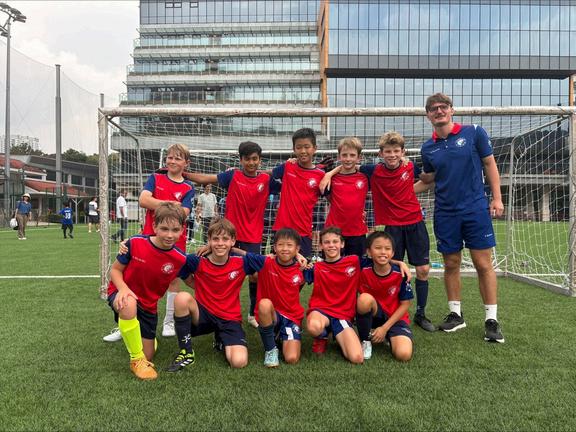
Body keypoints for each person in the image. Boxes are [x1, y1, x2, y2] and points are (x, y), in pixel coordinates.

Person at [321, 133, 435, 332]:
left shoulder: (410, 166)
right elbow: (349, 166)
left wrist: (410, 190)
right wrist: (328, 174)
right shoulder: (373, 170)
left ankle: (420, 313)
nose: (392, 155)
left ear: (403, 152)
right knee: (389, 268)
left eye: (396, 151)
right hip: (392, 225)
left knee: (423, 269)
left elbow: (427, 179)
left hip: (415, 222)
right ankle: (373, 310)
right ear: (381, 153)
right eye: (388, 151)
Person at [420, 92, 505, 343]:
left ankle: (491, 320)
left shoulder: (474, 132)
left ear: (452, 110)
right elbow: (429, 179)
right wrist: (400, 190)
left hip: (475, 209)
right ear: (428, 115)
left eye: (443, 106)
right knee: (451, 263)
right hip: (445, 212)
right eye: (433, 108)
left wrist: (497, 198)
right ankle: (456, 315)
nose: (439, 111)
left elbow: (489, 164)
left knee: (483, 264)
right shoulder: (427, 148)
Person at [183, 141, 276, 329]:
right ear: (240, 160)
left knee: (255, 275)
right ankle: (212, 310)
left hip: (253, 236)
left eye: (255, 159)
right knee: (216, 270)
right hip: (226, 236)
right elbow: (205, 178)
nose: (251, 163)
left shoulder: (266, 180)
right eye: (247, 159)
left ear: (260, 160)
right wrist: (182, 174)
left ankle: (252, 313)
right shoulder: (232, 176)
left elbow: (288, 178)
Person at [107, 202, 188, 380]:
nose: (169, 235)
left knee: (148, 354)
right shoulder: (134, 243)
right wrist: (123, 289)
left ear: (182, 230)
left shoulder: (180, 259)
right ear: (154, 226)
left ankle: (136, 337)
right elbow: (115, 270)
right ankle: (136, 361)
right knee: (128, 302)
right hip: (122, 293)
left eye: (175, 230)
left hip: (148, 305)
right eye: (164, 229)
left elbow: (194, 281)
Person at [166, 218, 250, 371]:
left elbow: (269, 261)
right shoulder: (197, 260)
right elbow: (176, 264)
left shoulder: (242, 262)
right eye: (215, 239)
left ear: (233, 241)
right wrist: (129, 244)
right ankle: (186, 352)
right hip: (204, 314)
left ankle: (221, 339)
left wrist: (236, 250)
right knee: (182, 298)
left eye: (225, 239)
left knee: (238, 362)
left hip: (229, 318)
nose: (220, 243)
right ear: (209, 240)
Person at [139, 143, 195, 338]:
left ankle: (169, 321)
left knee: (173, 279)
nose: (172, 161)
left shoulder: (188, 187)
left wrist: (158, 205)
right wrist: (170, 204)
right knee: (143, 279)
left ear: (186, 163)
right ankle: (133, 317)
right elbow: (143, 200)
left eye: (177, 158)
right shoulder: (155, 178)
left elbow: (183, 213)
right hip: (150, 237)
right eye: (170, 157)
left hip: (175, 241)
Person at [241, 228, 306, 368]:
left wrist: (299, 256)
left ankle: (280, 335)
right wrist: (211, 247)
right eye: (280, 245)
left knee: (291, 358)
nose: (285, 248)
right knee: (264, 304)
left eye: (289, 245)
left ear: (297, 249)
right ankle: (270, 350)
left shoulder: (302, 268)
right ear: (274, 247)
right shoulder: (265, 262)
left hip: (291, 317)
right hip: (272, 314)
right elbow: (241, 253)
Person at [304, 227, 364, 364]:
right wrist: (300, 260)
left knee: (357, 358)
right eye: (327, 242)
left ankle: (339, 334)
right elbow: (292, 273)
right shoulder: (316, 267)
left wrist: (399, 263)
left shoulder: (354, 261)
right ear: (320, 246)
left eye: (335, 241)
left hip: (342, 315)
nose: (331, 245)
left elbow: (378, 261)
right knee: (314, 326)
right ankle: (322, 336)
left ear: (342, 244)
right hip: (321, 312)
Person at [356, 231, 414, 362]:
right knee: (364, 299)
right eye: (378, 248)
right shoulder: (362, 266)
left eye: (387, 249)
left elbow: (405, 304)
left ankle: (388, 335)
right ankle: (365, 340)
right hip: (374, 314)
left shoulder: (401, 273)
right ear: (369, 252)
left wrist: (384, 328)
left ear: (392, 253)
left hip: (395, 318)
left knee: (403, 355)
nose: (383, 252)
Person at [272, 128, 325, 259]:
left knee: (302, 268)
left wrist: (330, 174)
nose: (303, 151)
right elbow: (269, 174)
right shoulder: (287, 167)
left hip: (304, 231)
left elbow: (332, 198)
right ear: (294, 149)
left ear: (315, 148)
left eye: (307, 147)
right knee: (278, 266)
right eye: (299, 147)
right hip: (282, 228)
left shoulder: (321, 175)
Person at [323, 137, 369, 258]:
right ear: (339, 157)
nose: (348, 159)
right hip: (334, 231)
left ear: (359, 158)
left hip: (357, 231)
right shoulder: (331, 178)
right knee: (332, 264)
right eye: (344, 155)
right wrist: (329, 173)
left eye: (352, 155)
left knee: (356, 266)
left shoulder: (365, 177)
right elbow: (329, 198)